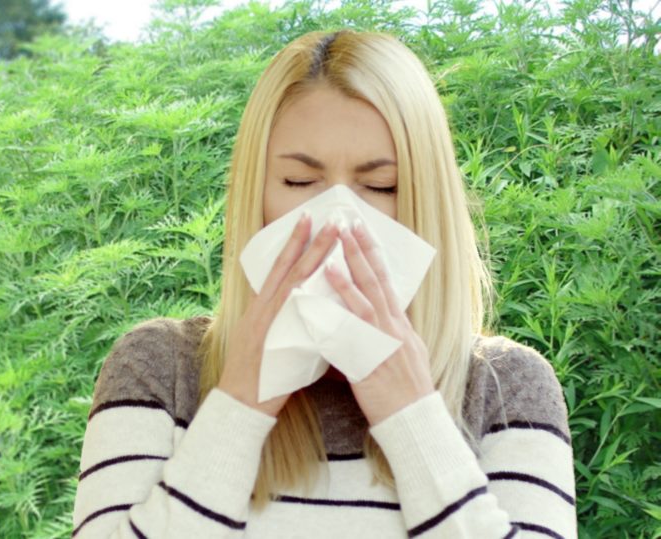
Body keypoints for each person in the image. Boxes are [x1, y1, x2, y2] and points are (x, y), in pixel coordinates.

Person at [71, 29, 577, 538]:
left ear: (426, 201)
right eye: (298, 182)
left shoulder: (504, 389)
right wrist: (240, 405)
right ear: (257, 193)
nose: (338, 221)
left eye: (381, 186)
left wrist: (412, 419)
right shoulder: (161, 371)